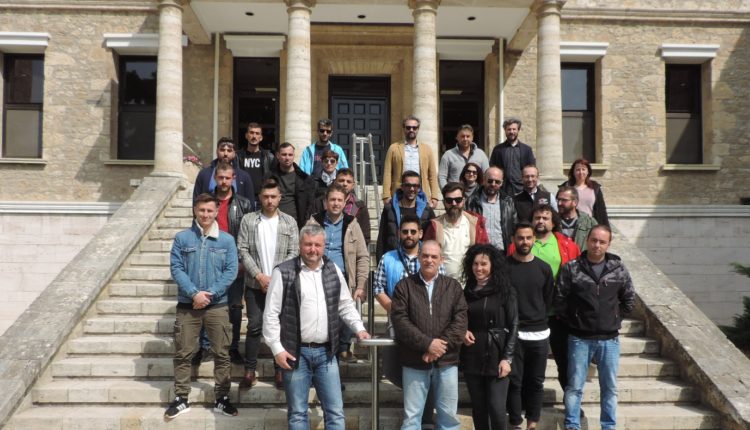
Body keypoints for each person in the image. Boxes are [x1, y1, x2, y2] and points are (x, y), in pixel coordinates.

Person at [263, 225, 370, 429]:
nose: (313, 249)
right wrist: (277, 349)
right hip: (295, 353)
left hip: (326, 353)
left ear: (324, 246)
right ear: (300, 245)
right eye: (308, 244)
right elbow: (270, 315)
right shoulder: (283, 272)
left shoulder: (332, 269)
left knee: (336, 413)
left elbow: (345, 304)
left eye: (317, 245)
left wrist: (359, 328)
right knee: (297, 414)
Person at [165, 193, 238, 420]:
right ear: (195, 211)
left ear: (216, 212)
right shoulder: (182, 238)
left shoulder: (227, 240)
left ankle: (222, 397)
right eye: (201, 210)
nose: (205, 214)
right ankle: (181, 398)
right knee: (183, 353)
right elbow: (176, 268)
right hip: (188, 305)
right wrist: (194, 293)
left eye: (210, 210)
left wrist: (210, 293)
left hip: (217, 306)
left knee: (222, 353)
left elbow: (231, 271)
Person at [555, 225, 635, 430]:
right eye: (594, 240)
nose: (597, 245)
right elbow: (560, 299)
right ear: (587, 240)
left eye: (602, 242)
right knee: (574, 386)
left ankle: (608, 426)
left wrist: (614, 318)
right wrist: (575, 320)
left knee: (609, 388)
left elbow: (629, 300)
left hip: (609, 339)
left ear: (608, 244)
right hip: (579, 338)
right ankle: (572, 425)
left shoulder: (618, 269)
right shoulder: (572, 268)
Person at [391, 240, 468, 430]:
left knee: (448, 417)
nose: (429, 260)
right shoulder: (404, 286)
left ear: (442, 260)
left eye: (434, 256)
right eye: (425, 256)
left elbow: (460, 322)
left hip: (447, 361)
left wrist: (438, 348)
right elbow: (400, 322)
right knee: (412, 417)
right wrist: (427, 344)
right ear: (418, 257)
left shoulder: (453, 287)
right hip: (414, 360)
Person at [508, 204, 580, 394]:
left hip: (557, 314)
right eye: (537, 218)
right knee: (524, 363)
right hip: (527, 314)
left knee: (564, 359)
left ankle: (570, 399)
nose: (541, 221)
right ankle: (523, 400)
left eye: (545, 218)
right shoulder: (518, 245)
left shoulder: (566, 245)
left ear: (553, 222)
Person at [236, 178, 299, 390]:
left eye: (273, 197)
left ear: (280, 198)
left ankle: (279, 370)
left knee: (279, 326)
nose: (269, 201)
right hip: (255, 284)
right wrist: (260, 276)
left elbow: (294, 252)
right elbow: (242, 249)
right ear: (260, 198)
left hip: (281, 285)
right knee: (254, 325)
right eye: (266, 197)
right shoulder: (249, 220)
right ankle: (249, 370)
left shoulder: (289, 222)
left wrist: (275, 278)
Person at [192, 162, 255, 366]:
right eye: (220, 177)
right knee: (207, 303)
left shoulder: (244, 204)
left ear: (233, 178)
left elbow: (249, 236)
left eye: (228, 178)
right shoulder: (207, 203)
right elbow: (197, 231)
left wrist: (243, 261)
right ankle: (205, 346)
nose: (224, 181)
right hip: (209, 260)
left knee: (234, 307)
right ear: (215, 178)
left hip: (234, 261)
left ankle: (233, 347)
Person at [305, 183, 370, 362]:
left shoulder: (352, 223)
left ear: (345, 202)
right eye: (332, 199)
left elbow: (363, 256)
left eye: (339, 200)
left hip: (344, 278)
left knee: (346, 312)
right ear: (325, 202)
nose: (335, 203)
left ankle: (343, 347)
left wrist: (361, 284)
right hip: (317, 277)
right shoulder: (314, 221)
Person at [460, 244, 518, 430]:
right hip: (472, 355)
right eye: (475, 264)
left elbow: (514, 325)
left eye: (484, 264)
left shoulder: (505, 291)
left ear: (493, 266)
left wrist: (507, 358)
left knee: (496, 407)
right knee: (478, 408)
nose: (479, 268)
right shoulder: (467, 291)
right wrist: (462, 330)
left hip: (497, 354)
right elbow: (458, 318)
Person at [506, 222, 555, 430]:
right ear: (513, 240)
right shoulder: (504, 268)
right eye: (520, 238)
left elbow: (548, 299)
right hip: (514, 334)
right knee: (514, 381)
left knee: (535, 382)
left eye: (528, 238)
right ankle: (516, 423)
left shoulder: (544, 268)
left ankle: (532, 424)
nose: (524, 242)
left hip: (539, 334)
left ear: (534, 239)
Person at [423, 182, 489, 281]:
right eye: (449, 200)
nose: (454, 204)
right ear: (444, 202)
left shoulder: (475, 223)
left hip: (469, 282)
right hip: (442, 283)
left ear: (463, 200)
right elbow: (426, 255)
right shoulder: (434, 226)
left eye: (458, 200)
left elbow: (485, 254)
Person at [382, 115, 441, 208]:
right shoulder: (393, 148)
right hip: (400, 192)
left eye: (414, 127)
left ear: (418, 129)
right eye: (408, 127)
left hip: (421, 192)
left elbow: (432, 175)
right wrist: (386, 195)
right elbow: (387, 173)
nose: (411, 130)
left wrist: (434, 196)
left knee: (421, 217)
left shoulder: (427, 149)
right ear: (404, 129)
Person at [375, 170, 436, 260]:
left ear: (419, 188)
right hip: (394, 259)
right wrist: (380, 261)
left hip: (419, 261)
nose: (412, 189)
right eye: (408, 185)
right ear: (402, 187)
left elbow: (433, 239)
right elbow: (382, 238)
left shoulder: (427, 210)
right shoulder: (390, 209)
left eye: (415, 186)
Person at [306, 168, 371, 245]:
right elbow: (309, 230)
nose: (345, 184)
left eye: (348, 182)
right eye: (341, 180)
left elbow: (365, 237)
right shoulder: (320, 202)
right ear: (335, 182)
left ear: (353, 185)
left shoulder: (360, 207)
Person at [263, 142, 318, 229]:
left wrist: (305, 224)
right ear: (278, 155)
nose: (287, 158)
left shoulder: (304, 179)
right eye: (284, 154)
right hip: (272, 222)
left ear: (293, 156)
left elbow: (310, 204)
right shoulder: (268, 177)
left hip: (296, 224)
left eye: (290, 155)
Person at [465, 166, 517, 252]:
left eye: (497, 182)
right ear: (484, 181)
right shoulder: (471, 201)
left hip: (502, 252)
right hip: (480, 251)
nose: (493, 184)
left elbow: (514, 226)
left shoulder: (508, 202)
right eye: (490, 181)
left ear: (501, 183)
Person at [193, 137, 255, 203]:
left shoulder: (244, 176)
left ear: (234, 153)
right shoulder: (204, 174)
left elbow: (250, 203)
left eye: (229, 151)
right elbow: (196, 201)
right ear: (217, 151)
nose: (225, 154)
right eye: (222, 150)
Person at [489, 118, 536, 195]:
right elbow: (493, 168)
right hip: (503, 190)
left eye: (514, 129)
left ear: (518, 130)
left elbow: (532, 169)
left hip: (522, 190)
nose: (511, 132)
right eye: (509, 129)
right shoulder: (497, 149)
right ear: (505, 131)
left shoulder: (527, 150)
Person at [560, 158, 609, 227]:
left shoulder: (595, 188)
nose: (581, 172)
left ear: (588, 171)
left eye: (583, 169)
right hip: (569, 225)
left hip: (589, 226)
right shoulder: (566, 187)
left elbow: (602, 211)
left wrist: (606, 228)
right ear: (573, 172)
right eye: (578, 170)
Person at [438, 124, 490, 189]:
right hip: (455, 193)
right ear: (457, 137)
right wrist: (446, 192)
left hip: (476, 193)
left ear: (472, 138)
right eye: (462, 136)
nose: (465, 139)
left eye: (468, 136)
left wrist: (483, 191)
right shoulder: (448, 155)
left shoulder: (481, 154)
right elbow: (442, 177)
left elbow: (487, 175)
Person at [236, 122, 274, 208]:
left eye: (257, 133)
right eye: (251, 133)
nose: (254, 136)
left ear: (261, 137)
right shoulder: (238, 156)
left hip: (262, 199)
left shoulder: (268, 157)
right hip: (243, 198)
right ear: (246, 135)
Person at [556, 186, 597, 251]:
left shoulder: (589, 222)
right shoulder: (552, 221)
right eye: (558, 200)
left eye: (564, 200)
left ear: (575, 202)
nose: (559, 203)